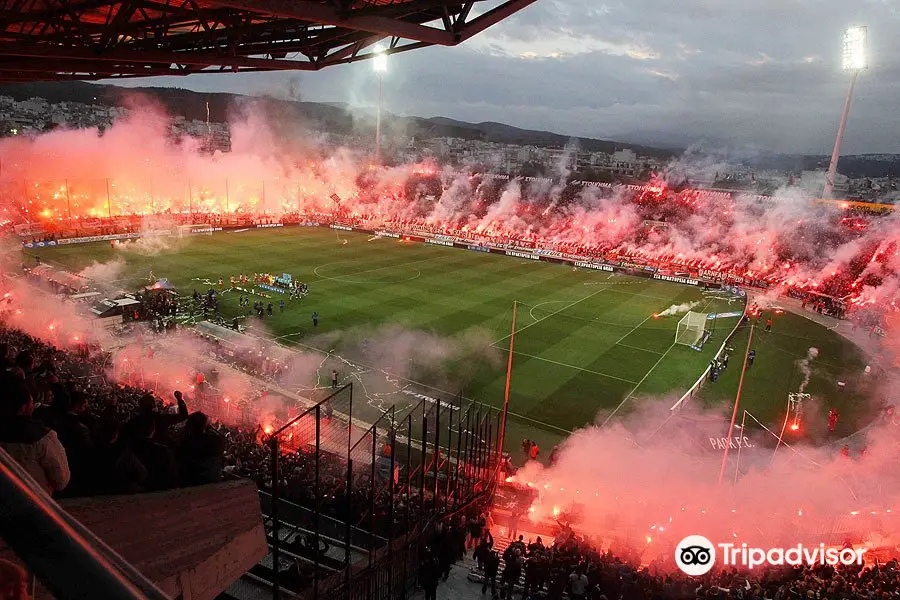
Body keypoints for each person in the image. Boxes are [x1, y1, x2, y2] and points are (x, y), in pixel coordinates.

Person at [0, 379, 70, 495]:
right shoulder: (42, 438)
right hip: (33, 505)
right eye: (31, 402)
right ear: (24, 407)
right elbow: (61, 481)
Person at [175, 412, 224, 487]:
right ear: (206, 426)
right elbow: (220, 439)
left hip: (187, 483)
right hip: (210, 483)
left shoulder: (183, 442)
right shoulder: (214, 441)